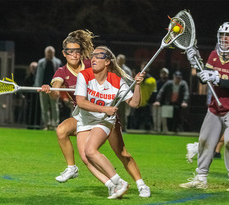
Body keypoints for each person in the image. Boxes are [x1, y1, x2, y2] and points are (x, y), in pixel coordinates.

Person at [40, 30, 150, 198]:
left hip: (105, 115)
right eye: (69, 51)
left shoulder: (91, 65)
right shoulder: (63, 72)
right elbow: (56, 91)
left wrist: (135, 85)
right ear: (64, 54)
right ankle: (102, 180)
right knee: (77, 146)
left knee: (121, 153)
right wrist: (50, 89)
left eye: (77, 51)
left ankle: (140, 184)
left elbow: (112, 74)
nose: (74, 55)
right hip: (83, 115)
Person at [179, 22, 229, 191]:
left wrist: (216, 76)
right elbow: (205, 78)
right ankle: (201, 178)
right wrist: (196, 63)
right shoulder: (213, 55)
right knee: (205, 141)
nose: (225, 38)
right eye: (223, 34)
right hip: (215, 107)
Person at [73, 45, 145, 199]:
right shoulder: (84, 75)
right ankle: (111, 186)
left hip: (104, 120)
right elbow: (81, 102)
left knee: (91, 150)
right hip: (85, 119)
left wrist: (138, 85)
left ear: (107, 62)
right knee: (85, 157)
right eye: (92, 55)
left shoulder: (117, 81)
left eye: (99, 56)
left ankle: (123, 182)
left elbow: (134, 103)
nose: (93, 58)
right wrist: (105, 108)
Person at [34, 46, 62, 130]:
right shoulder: (41, 62)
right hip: (43, 88)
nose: (49, 54)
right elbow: (38, 75)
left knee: (55, 107)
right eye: (48, 53)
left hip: (54, 88)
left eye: (51, 53)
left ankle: (55, 124)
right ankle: (46, 124)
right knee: (44, 107)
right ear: (45, 53)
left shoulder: (58, 62)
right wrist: (38, 86)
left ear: (53, 53)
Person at [132, 61, 156, 130]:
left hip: (146, 104)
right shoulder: (137, 79)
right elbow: (133, 90)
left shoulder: (152, 80)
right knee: (136, 123)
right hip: (137, 104)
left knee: (147, 124)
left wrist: (149, 102)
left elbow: (153, 93)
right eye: (143, 67)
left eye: (146, 67)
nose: (144, 69)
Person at [116, 54, 133, 131]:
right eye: (119, 59)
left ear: (124, 61)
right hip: (112, 93)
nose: (119, 61)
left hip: (122, 93)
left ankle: (123, 128)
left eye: (121, 60)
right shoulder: (112, 68)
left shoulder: (127, 70)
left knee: (122, 111)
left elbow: (130, 82)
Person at [152, 67, 169, 132]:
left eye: (165, 73)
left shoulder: (169, 83)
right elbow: (155, 93)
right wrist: (156, 101)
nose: (163, 74)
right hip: (157, 103)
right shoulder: (157, 82)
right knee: (156, 118)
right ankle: (156, 130)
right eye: (162, 73)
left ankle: (165, 132)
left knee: (164, 119)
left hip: (165, 104)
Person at [23, 62, 40, 128]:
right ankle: (29, 125)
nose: (34, 69)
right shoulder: (27, 78)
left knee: (38, 112)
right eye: (32, 68)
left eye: (35, 68)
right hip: (29, 99)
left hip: (37, 98)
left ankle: (38, 126)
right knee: (29, 112)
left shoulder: (38, 78)